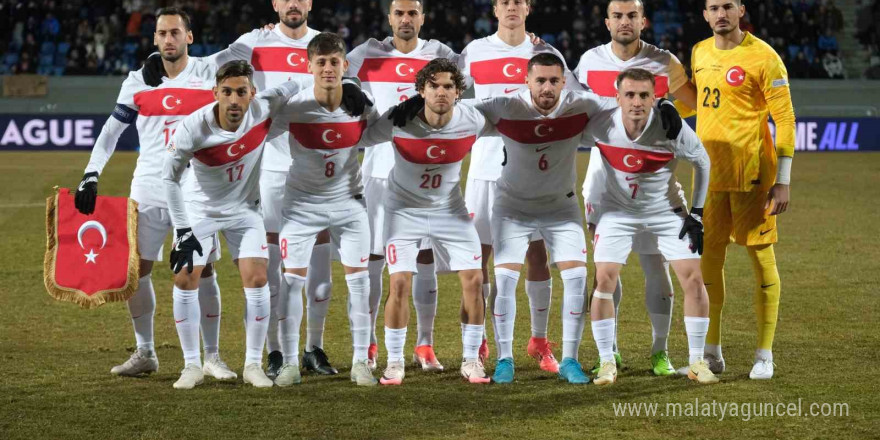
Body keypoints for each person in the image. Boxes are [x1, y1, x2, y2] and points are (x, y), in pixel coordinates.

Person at [74, 7, 233, 382]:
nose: (168, 40)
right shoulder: (136, 81)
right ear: (154, 39)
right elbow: (111, 132)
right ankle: (145, 351)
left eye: (175, 33)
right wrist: (91, 174)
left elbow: (247, 55)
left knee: (202, 268)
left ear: (189, 37)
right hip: (147, 187)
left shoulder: (209, 73)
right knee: (137, 271)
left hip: (196, 189)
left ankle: (211, 355)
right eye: (162, 34)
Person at [574, 0, 699, 377]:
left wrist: (673, 112)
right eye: (618, 15)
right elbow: (576, 107)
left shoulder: (666, 63)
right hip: (603, 176)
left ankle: (660, 352)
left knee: (655, 265)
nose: (625, 22)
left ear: (642, 22)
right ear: (607, 21)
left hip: (651, 177)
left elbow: (693, 106)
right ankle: (608, 352)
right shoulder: (589, 61)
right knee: (604, 270)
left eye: (632, 16)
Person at [162, 60, 303, 389]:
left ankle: (253, 364)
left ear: (253, 93)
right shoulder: (193, 127)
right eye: (227, 92)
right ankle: (192, 365)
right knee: (185, 279)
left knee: (257, 280)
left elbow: (297, 83)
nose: (234, 99)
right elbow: (169, 180)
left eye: (242, 92)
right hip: (200, 209)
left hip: (244, 210)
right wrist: (183, 230)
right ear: (215, 93)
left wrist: (346, 90)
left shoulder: (263, 108)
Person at [457, 0, 581, 372]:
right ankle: (476, 343)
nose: (511, 7)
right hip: (484, 170)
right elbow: (448, 95)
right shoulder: (474, 51)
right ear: (495, 9)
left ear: (528, 8)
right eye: (504, 2)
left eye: (518, 1)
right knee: (478, 261)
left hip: (533, 172)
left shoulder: (546, 53)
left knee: (537, 257)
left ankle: (539, 341)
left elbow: (572, 99)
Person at [583, 68, 717, 386]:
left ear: (654, 97)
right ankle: (606, 361)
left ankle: (695, 361)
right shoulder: (602, 123)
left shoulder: (671, 126)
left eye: (644, 95)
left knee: (693, 279)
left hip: (666, 211)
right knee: (604, 278)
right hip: (617, 211)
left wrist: (696, 213)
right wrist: (591, 211)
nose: (637, 102)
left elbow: (703, 161)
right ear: (617, 97)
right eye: (629, 94)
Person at [362, 59, 492, 385]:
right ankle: (394, 362)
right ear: (421, 90)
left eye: (449, 86)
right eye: (433, 85)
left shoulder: (473, 119)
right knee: (400, 283)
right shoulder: (399, 119)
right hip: (403, 210)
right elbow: (358, 138)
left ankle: (471, 359)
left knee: (475, 281)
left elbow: (516, 119)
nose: (441, 92)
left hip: (451, 210)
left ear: (459, 92)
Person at [345, 0, 457, 372]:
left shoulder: (440, 53)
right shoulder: (368, 53)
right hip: (378, 172)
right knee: (374, 258)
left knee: (423, 258)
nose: (406, 19)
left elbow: (469, 87)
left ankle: (424, 344)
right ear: (390, 18)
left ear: (423, 18)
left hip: (426, 173)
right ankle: (372, 343)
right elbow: (337, 72)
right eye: (399, 13)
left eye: (413, 13)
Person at [687, 0, 795, 380]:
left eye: (727, 6)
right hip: (710, 178)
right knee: (708, 263)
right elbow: (699, 100)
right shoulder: (699, 51)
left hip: (753, 177)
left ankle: (764, 353)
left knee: (760, 258)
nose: (721, 13)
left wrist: (783, 179)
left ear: (740, 10)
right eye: (713, 7)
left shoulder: (765, 57)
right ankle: (711, 351)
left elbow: (785, 119)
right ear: (704, 14)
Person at [267, 32, 378, 387]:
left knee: (358, 284)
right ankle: (287, 363)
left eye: (334, 62)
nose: (328, 68)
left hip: (350, 206)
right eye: (321, 62)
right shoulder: (294, 110)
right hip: (301, 206)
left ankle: (361, 362)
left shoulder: (362, 107)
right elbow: (252, 127)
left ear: (345, 65)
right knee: (291, 283)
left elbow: (391, 129)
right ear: (309, 66)